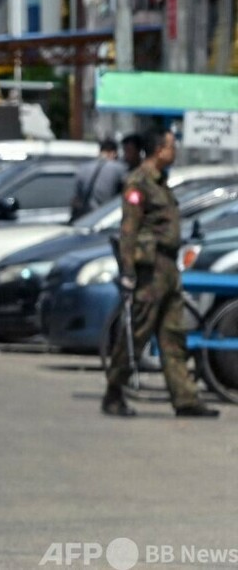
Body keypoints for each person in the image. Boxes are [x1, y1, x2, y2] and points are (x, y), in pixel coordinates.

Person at [102, 129, 219, 418]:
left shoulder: (161, 183)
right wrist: (128, 271)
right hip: (149, 270)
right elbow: (129, 229)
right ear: (158, 150)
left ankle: (185, 398)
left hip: (167, 267)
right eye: (171, 146)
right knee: (138, 331)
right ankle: (114, 391)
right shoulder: (139, 182)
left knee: (173, 334)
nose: (174, 151)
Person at [70, 138, 126, 221]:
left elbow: (77, 196)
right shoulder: (119, 168)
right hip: (107, 217)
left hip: (85, 217)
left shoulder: (83, 168)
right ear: (114, 153)